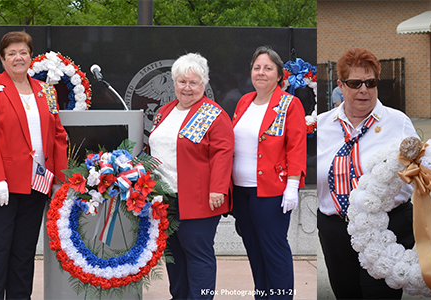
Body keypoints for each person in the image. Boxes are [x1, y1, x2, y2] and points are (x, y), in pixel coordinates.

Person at [0, 31, 68, 300]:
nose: (18, 57)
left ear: (31, 57)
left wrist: (59, 180)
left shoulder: (45, 90)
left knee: (23, 257)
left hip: (35, 186)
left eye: (23, 52)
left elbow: (58, 135)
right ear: (2, 59)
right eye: (11, 53)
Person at [317, 47, 417, 299]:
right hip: (336, 232)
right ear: (340, 86)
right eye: (355, 83)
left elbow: (420, 171)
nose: (364, 89)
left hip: (388, 227)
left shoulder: (398, 122)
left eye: (370, 82)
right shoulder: (321, 125)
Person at [148, 53, 234, 300]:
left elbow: (223, 152)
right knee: (173, 257)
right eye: (182, 81)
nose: (187, 88)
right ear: (174, 82)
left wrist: (217, 188)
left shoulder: (212, 114)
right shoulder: (164, 111)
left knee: (198, 256)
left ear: (204, 84)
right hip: (165, 200)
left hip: (199, 200)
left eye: (193, 82)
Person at [231, 46, 306, 300]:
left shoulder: (289, 104)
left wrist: (293, 186)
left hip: (271, 192)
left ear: (279, 75)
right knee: (253, 250)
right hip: (241, 191)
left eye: (268, 68)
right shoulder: (244, 101)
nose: (261, 73)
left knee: (274, 251)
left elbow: (296, 146)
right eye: (257, 67)